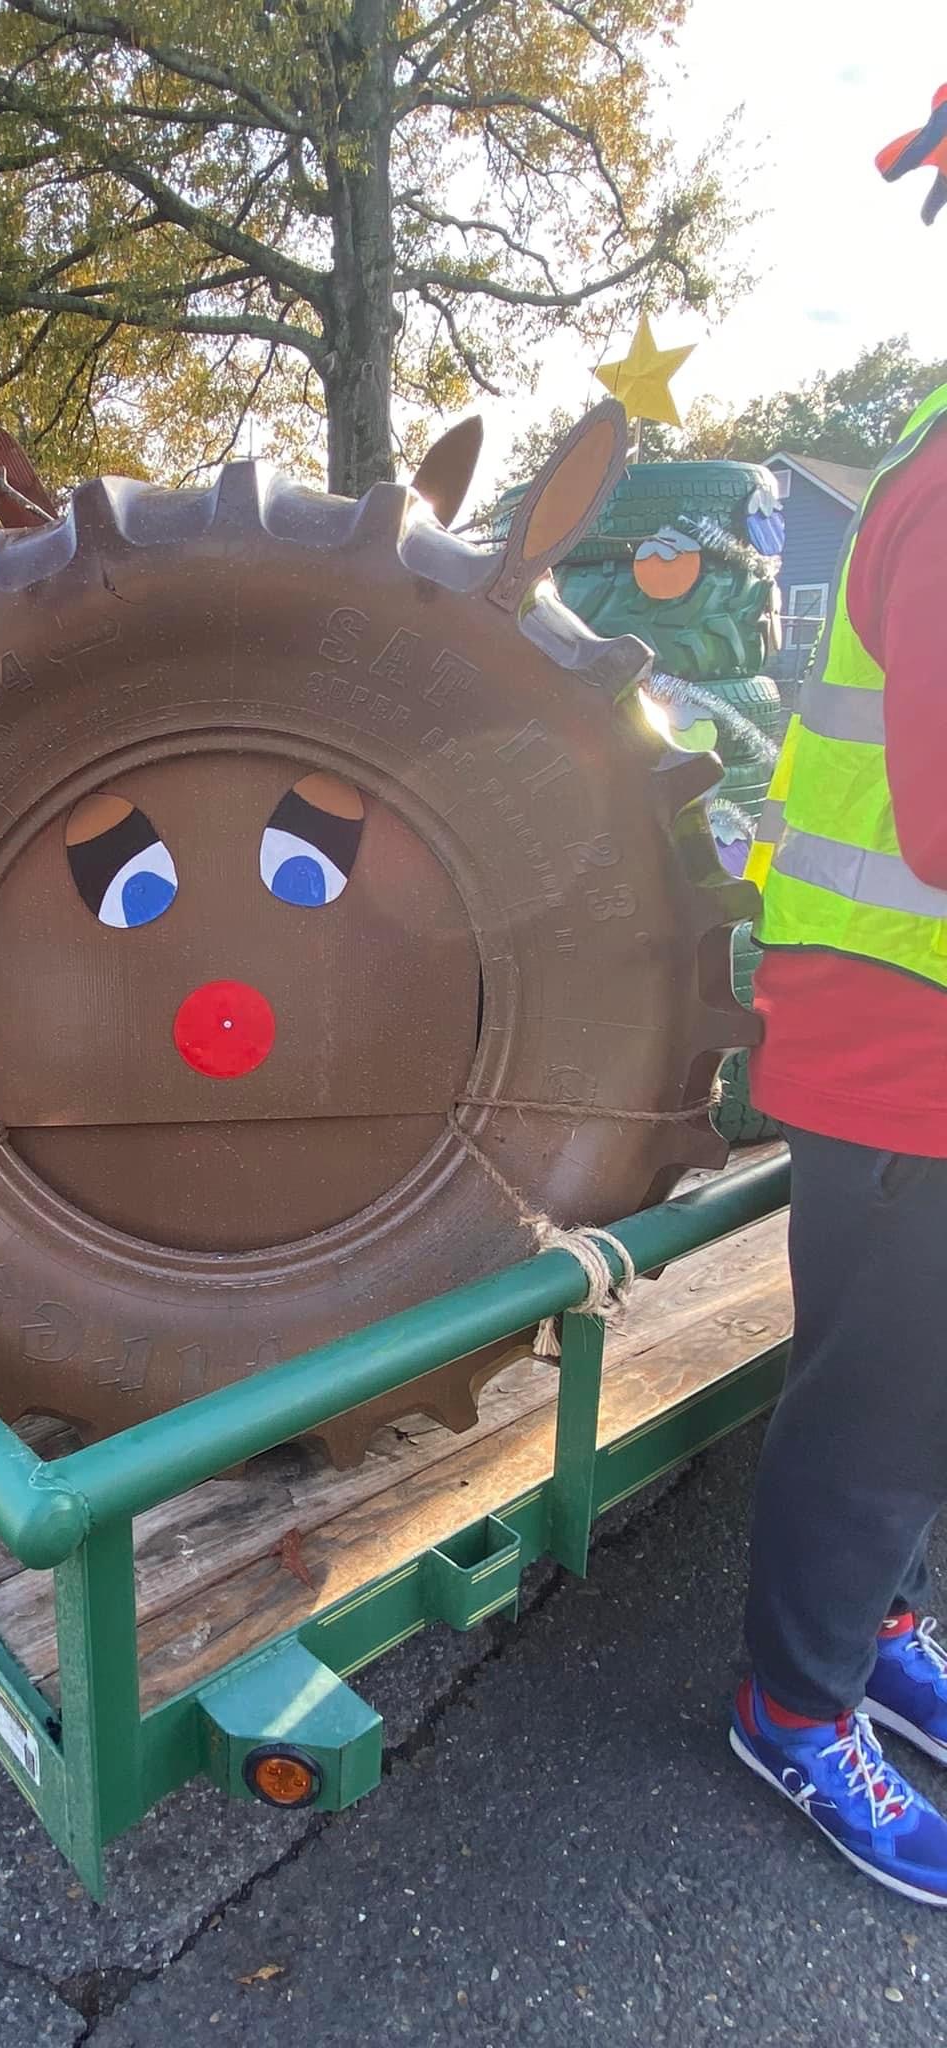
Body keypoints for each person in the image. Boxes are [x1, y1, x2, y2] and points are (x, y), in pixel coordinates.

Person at [730, 85, 947, 1904]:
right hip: (907, 1053)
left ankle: (864, 1622)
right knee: (888, 1402)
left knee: (880, 1391)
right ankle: (794, 1710)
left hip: (893, 1033)